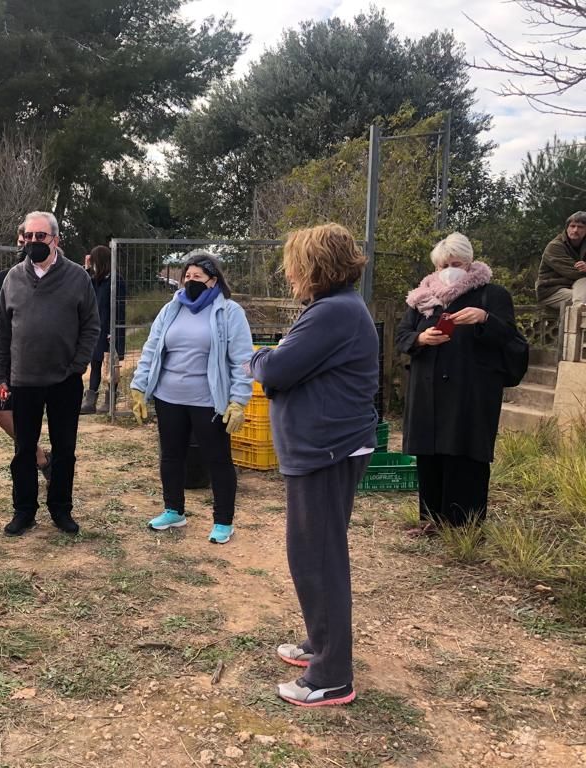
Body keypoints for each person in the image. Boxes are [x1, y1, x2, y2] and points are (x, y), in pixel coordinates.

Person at [250, 222, 378, 708]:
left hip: (327, 450)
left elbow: (277, 370)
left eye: (294, 265)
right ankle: (320, 643)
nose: (289, 274)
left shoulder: (333, 313)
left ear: (315, 267)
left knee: (318, 559)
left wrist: (261, 357)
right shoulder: (334, 310)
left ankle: (331, 675)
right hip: (325, 449)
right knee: (314, 554)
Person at [396, 232, 518, 534]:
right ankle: (432, 520)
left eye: (457, 263)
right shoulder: (422, 299)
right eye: (444, 264)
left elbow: (511, 339)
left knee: (465, 453)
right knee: (430, 455)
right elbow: (401, 336)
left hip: (471, 390)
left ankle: (466, 524)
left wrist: (484, 319)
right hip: (428, 389)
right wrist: (421, 338)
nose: (449, 269)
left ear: (470, 263)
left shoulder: (493, 295)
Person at [129, 252, 253, 545]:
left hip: (208, 400)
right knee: (171, 456)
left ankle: (223, 521)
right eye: (187, 276)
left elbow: (242, 360)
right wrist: (139, 386)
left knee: (217, 459)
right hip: (168, 396)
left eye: (198, 276)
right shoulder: (171, 309)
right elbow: (151, 348)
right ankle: (174, 510)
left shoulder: (229, 312)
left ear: (214, 280)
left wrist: (238, 400)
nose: (190, 281)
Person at [0, 211, 100, 536]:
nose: (34, 242)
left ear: (55, 239)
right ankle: (24, 511)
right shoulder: (12, 279)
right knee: (24, 450)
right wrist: (0, 377)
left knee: (65, 450)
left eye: (41, 236)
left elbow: (91, 326)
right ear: (23, 239)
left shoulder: (77, 277)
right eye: (29, 237)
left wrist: (77, 366)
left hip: (64, 382)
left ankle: (61, 510)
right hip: (23, 382)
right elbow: (1, 333)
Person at [0, 224, 50, 480]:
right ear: (19, 241)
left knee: (26, 415)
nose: (29, 244)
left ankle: (29, 467)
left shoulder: (51, 277)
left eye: (36, 238)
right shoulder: (2, 278)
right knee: (0, 413)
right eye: (25, 239)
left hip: (35, 362)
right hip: (6, 361)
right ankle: (41, 457)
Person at [81, 244, 127, 415]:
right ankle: (90, 402)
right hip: (96, 330)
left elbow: (121, 309)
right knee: (95, 363)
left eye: (93, 262)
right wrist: (86, 269)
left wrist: (115, 331)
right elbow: (82, 288)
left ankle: (110, 401)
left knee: (111, 366)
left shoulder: (117, 280)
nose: (92, 266)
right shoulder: (94, 280)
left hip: (111, 330)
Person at [536, 211, 586, 310]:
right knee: (581, 299)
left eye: (580, 227)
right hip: (552, 290)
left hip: (578, 286)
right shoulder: (555, 246)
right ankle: (575, 318)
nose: (575, 230)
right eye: (572, 226)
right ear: (567, 228)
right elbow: (574, 273)